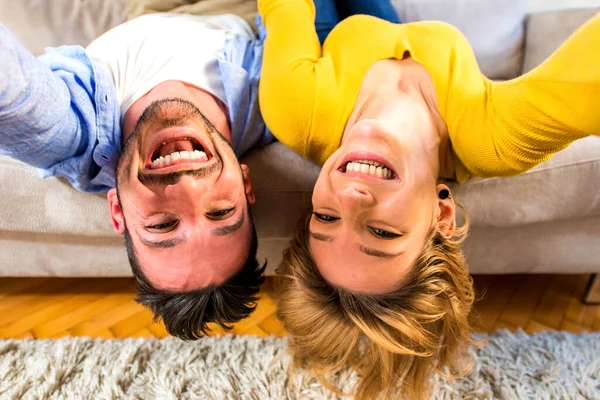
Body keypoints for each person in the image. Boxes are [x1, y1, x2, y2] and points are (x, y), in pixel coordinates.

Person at [258, 0, 600, 398]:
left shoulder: (294, 106)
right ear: (441, 214)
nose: (350, 197)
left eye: (326, 219)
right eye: (383, 233)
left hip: (326, 45)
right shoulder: (493, 139)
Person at [0, 13, 273, 339]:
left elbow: (19, 101)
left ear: (117, 209)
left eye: (162, 225)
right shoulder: (272, 102)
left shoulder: (78, 132)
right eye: (220, 212)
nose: (187, 184)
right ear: (245, 183)